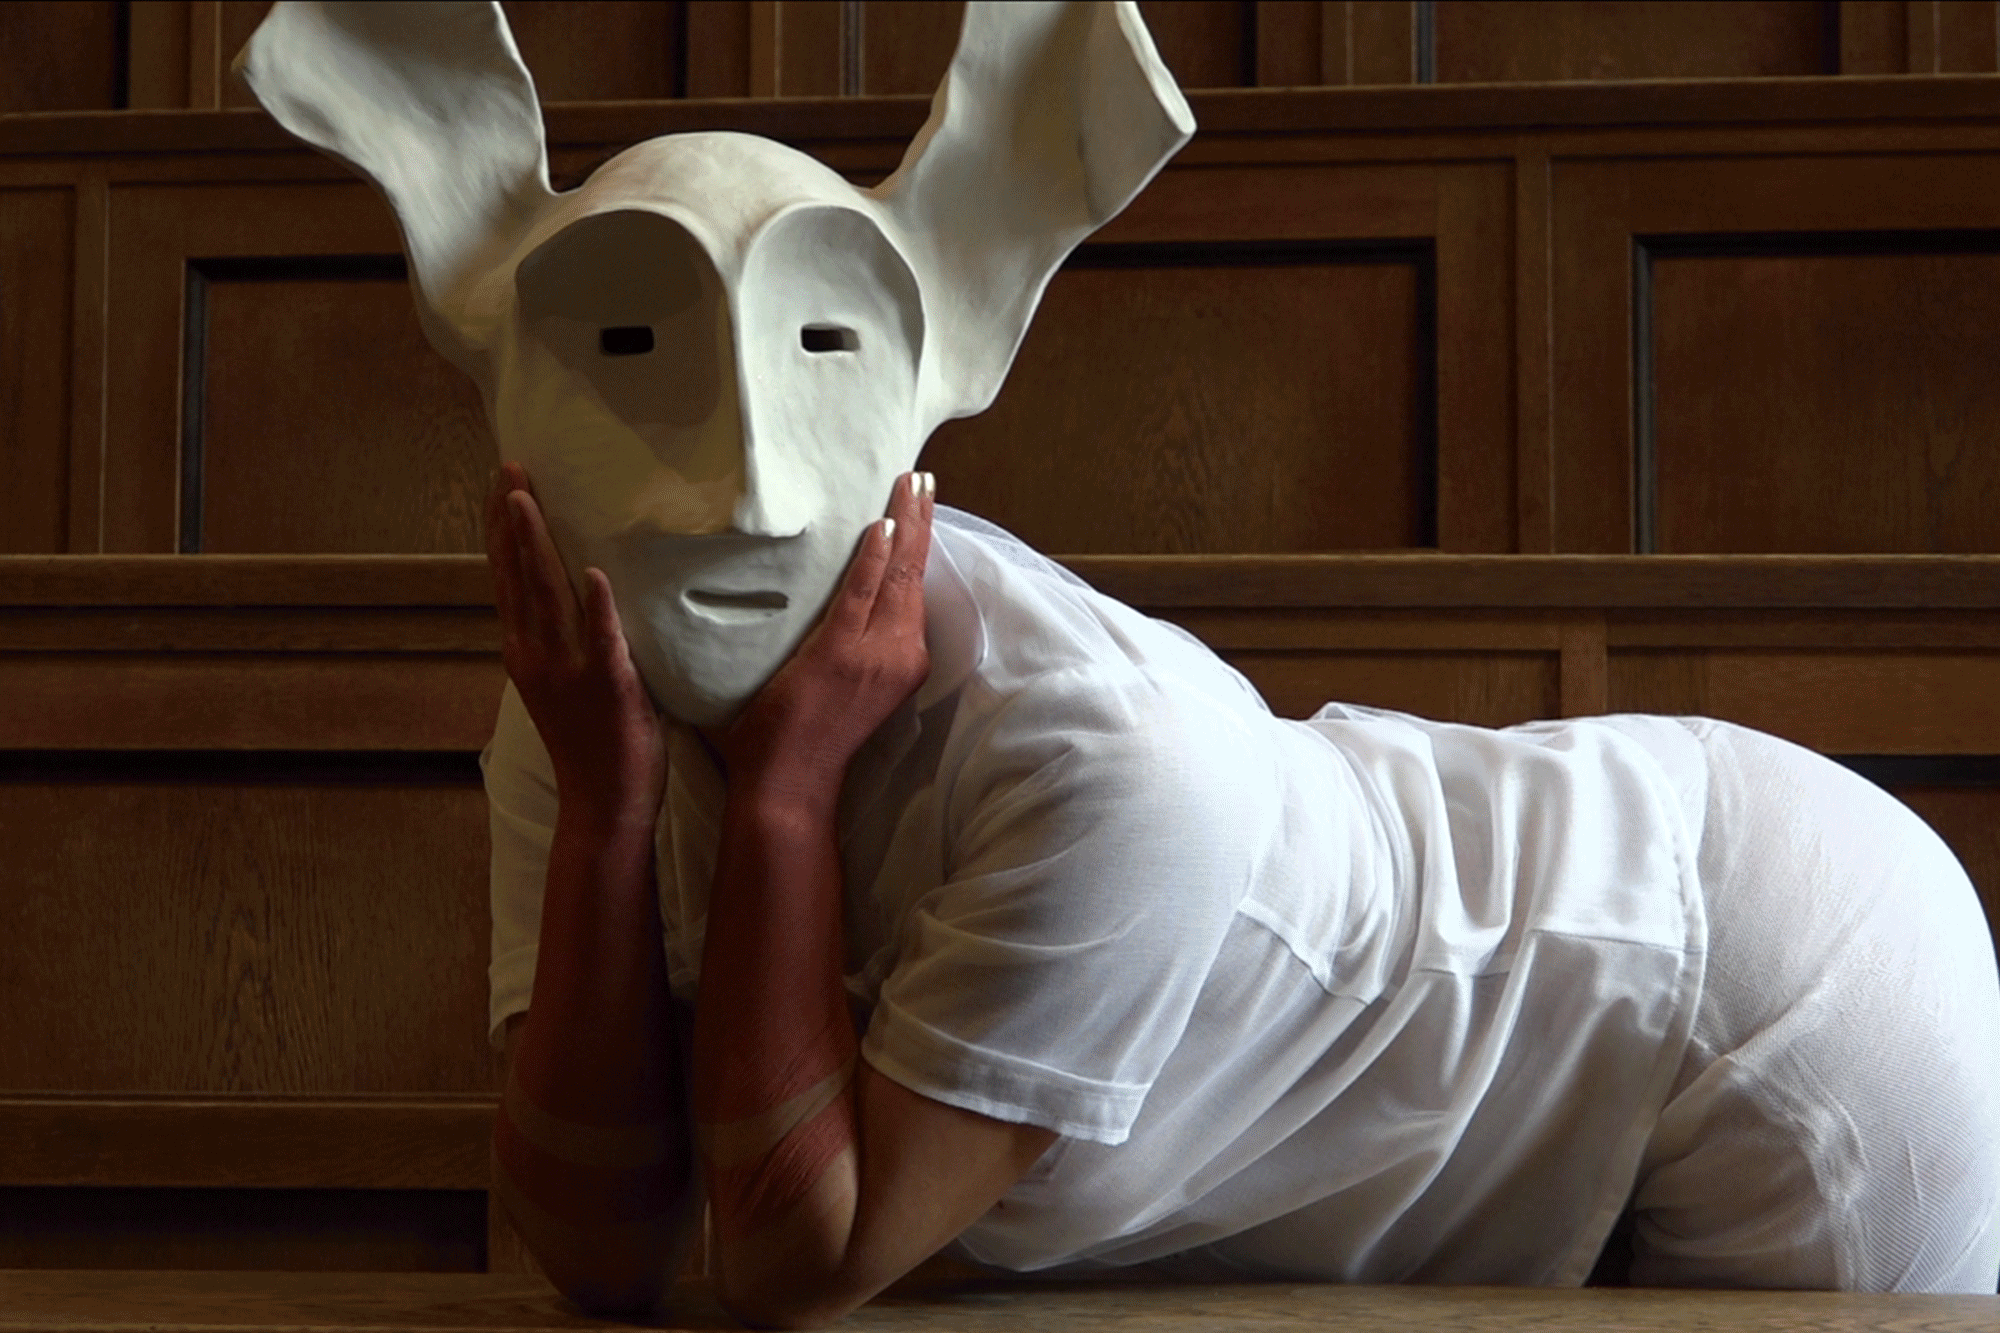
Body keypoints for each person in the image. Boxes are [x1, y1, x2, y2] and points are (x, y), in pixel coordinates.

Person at [482, 463, 2000, 1327]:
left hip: (1759, 971)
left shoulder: (1113, 758)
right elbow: (602, 1258)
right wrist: (611, 814)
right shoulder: (590, 698)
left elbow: (792, 1271)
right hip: (1561, 999)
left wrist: (787, 796)